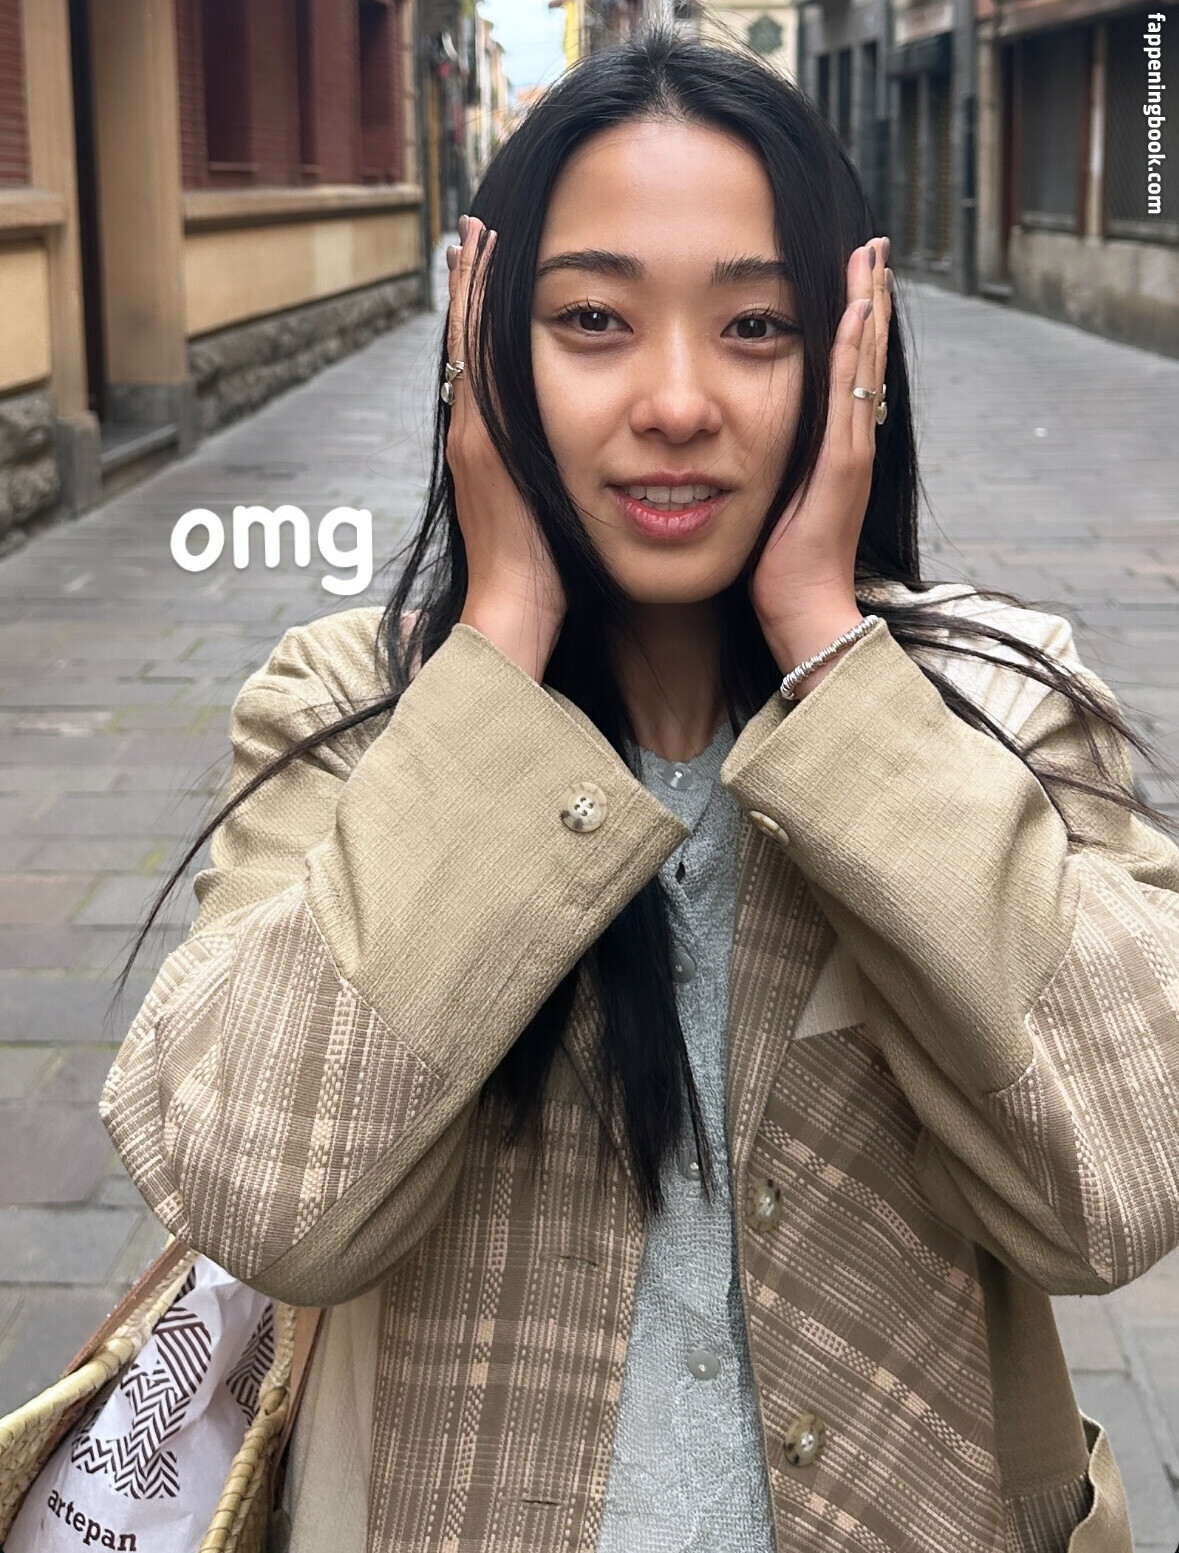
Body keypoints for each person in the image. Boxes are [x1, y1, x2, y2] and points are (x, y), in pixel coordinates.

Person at [100, 25, 1179, 1553]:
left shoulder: (991, 706)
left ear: (854, 350)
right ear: (486, 351)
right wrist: (499, 642)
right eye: (594, 320)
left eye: (756, 327)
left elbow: (1120, 1183)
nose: (677, 401)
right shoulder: (352, 716)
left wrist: (829, 647)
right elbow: (263, 1196)